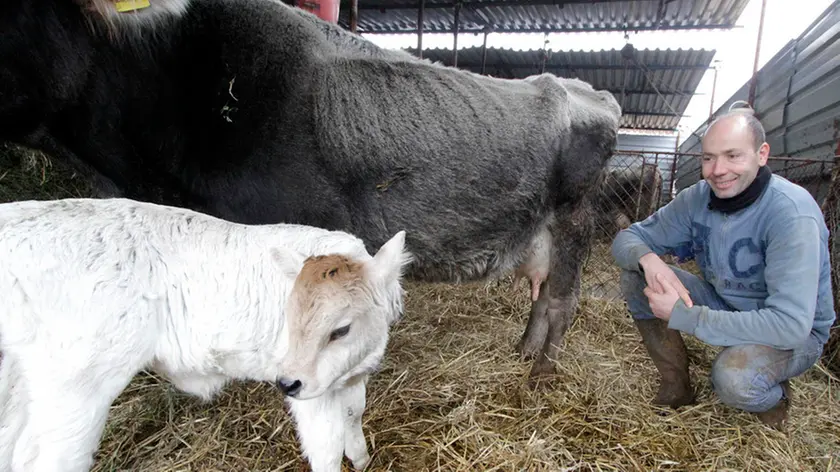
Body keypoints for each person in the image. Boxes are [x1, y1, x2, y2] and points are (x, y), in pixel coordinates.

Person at [611, 108, 835, 429]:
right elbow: (627, 239)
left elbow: (790, 325)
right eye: (708, 158)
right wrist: (650, 260)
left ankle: (774, 398)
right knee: (637, 275)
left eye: (733, 156)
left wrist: (687, 316)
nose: (718, 170)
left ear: (762, 155)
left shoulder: (791, 214)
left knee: (732, 378)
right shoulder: (697, 199)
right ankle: (676, 385)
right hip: (726, 303)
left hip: (794, 333)